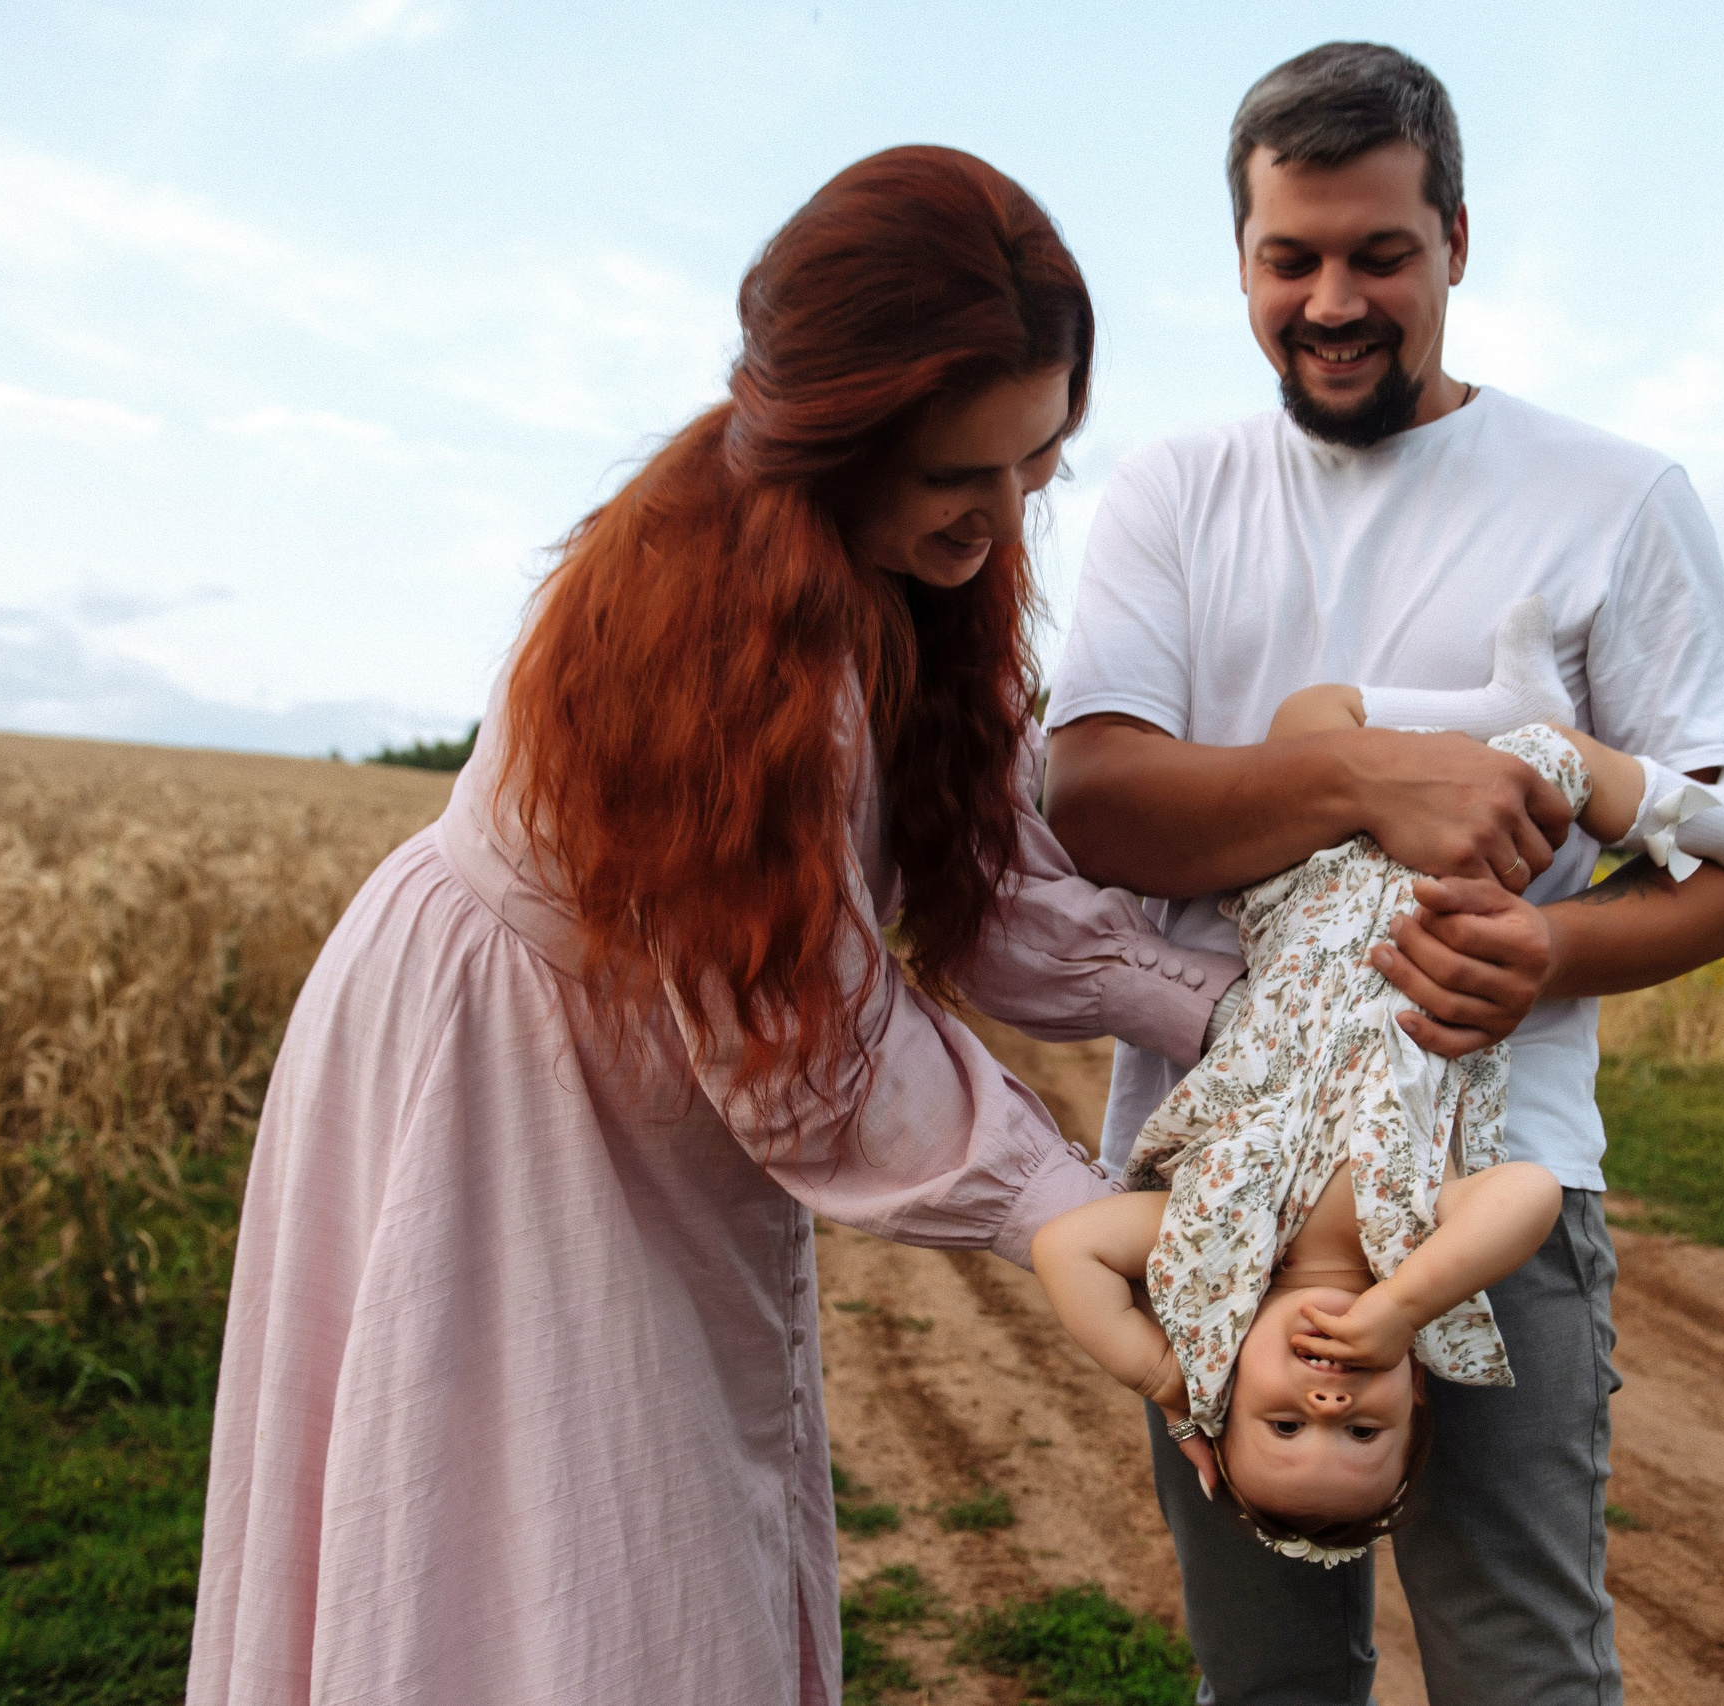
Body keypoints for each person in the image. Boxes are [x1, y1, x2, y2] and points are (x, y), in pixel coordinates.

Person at [186, 147, 1249, 1706]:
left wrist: (1226, 1010)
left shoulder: (910, 562)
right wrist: (1052, 1200)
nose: (1005, 510)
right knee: (577, 1558)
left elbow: (981, 875)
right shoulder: (720, 630)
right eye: (964, 473)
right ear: (836, 431)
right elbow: (806, 1041)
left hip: (638, 1068)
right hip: (505, 1076)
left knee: (659, 1530)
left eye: (1039, 463)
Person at [1042, 44, 1724, 1704]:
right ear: (1239, 258)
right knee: (1270, 1681)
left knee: (1522, 1665)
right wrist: (1370, 771)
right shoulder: (1172, 494)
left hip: (1494, 1195)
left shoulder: (1617, 500)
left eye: (1381, 252)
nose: (1332, 299)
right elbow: (1095, 799)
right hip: (1228, 1205)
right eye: (1289, 257)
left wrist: (1548, 958)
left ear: (1457, 237)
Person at [1034, 620, 1724, 1572]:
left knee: (1307, 720)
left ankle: (1496, 710)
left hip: (1305, 889)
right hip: (1442, 892)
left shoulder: (1202, 1247)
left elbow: (1065, 1249)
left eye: (1280, 1426)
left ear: (1228, 1392)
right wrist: (1401, 1306)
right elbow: (1528, 1196)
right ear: (1416, 1401)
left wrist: (1173, 1379)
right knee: (1550, 768)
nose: (1328, 1408)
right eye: (1362, 1438)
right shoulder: (1413, 1248)